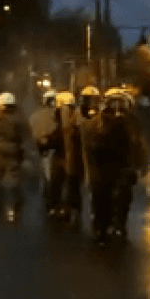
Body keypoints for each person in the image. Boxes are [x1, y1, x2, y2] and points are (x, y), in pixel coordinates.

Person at [84, 89, 148, 244]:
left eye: (120, 102)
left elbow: (138, 143)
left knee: (123, 197)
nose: (117, 106)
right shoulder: (96, 122)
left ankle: (119, 225)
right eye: (113, 102)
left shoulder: (131, 121)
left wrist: (140, 164)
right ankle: (101, 228)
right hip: (102, 166)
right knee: (101, 198)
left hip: (122, 165)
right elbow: (88, 145)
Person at [0, 92, 31, 222]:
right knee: (14, 178)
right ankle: (17, 203)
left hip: (0, 149)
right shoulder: (19, 118)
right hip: (14, 149)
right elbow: (26, 135)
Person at [57, 92, 84, 226]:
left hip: (67, 159)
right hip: (74, 159)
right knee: (74, 186)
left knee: (69, 185)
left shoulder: (64, 116)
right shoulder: (78, 115)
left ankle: (68, 210)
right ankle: (73, 211)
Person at [30, 90, 58, 214]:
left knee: (46, 177)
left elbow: (32, 134)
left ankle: (49, 203)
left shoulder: (35, 116)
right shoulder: (60, 115)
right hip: (56, 150)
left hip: (41, 150)